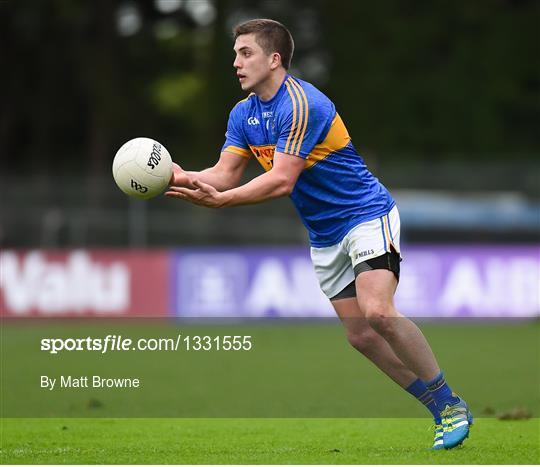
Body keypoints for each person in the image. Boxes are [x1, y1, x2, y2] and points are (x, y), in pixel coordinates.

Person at [166, 18, 472, 450]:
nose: (235, 62)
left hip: (366, 215)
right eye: (235, 54)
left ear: (275, 59)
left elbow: (281, 180)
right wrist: (175, 177)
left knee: (378, 312)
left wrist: (223, 201)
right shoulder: (244, 114)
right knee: (360, 336)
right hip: (325, 234)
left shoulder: (301, 103)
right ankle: (440, 408)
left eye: (245, 53)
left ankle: (450, 402)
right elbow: (224, 173)